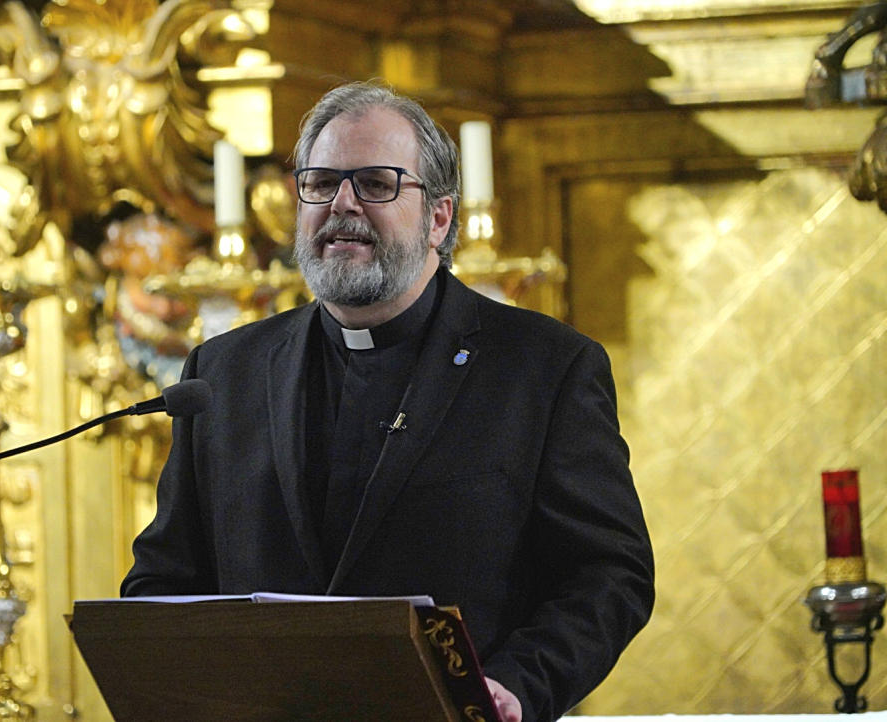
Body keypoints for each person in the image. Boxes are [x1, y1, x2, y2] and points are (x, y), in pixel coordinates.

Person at [122, 81, 654, 722]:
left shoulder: (542, 368)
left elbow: (609, 574)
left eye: (376, 184)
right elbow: (165, 577)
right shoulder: (223, 372)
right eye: (320, 183)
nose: (342, 205)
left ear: (439, 218)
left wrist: (517, 684)